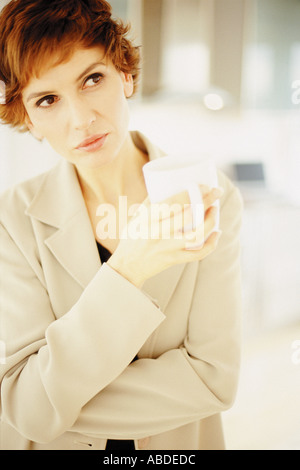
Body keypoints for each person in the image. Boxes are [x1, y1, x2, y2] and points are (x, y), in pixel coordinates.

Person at [0, 0, 243, 450]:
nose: (80, 119)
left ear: (125, 75)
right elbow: (24, 404)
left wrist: (60, 404)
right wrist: (127, 269)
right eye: (47, 99)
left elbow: (213, 380)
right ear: (28, 118)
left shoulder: (213, 196)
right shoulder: (11, 219)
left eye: (92, 79)